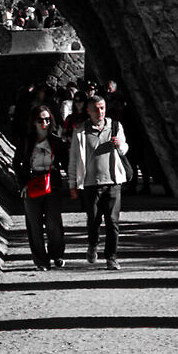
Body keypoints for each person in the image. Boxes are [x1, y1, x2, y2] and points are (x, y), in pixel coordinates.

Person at [68, 92, 129, 268]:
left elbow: (125, 148)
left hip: (113, 181)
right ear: (88, 111)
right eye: (96, 109)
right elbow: (73, 159)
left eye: (102, 108)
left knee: (113, 221)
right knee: (93, 220)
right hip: (90, 184)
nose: (100, 112)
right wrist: (72, 185)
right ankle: (93, 244)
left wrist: (120, 146)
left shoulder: (115, 127)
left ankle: (111, 257)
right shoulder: (80, 131)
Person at [15, 106, 67, 269]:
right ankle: (41, 261)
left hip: (52, 183)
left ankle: (57, 254)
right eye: (40, 120)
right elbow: (17, 163)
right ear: (34, 122)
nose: (44, 123)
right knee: (34, 225)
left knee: (54, 223)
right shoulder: (26, 141)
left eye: (47, 119)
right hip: (33, 182)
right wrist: (22, 184)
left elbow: (66, 162)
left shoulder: (56, 141)